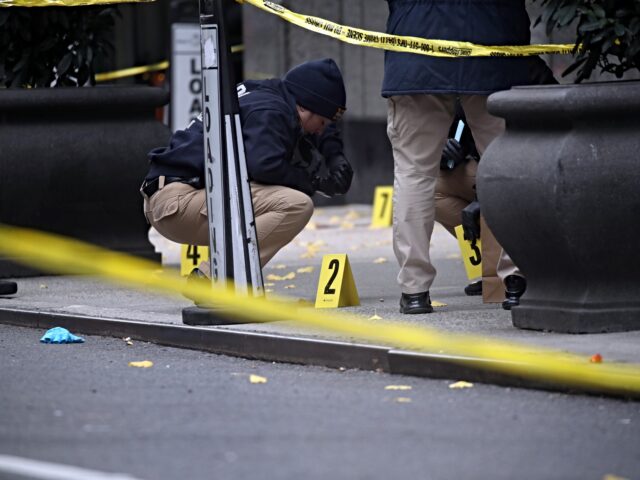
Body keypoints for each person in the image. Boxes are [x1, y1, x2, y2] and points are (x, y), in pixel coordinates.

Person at [383, 0, 534, 314]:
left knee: (414, 174)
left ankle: (415, 290)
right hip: (493, 44)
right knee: (509, 168)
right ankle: (516, 281)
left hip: (416, 51)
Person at [141, 58, 353, 274]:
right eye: (323, 123)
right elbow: (264, 166)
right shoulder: (273, 112)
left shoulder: (263, 93)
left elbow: (317, 125)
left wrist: (335, 157)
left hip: (170, 197)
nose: (320, 131)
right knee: (296, 205)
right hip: (179, 204)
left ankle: (222, 276)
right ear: (305, 107)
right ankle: (216, 277)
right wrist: (314, 182)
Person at [436, 57, 558, 309]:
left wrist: (486, 199)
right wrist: (446, 151)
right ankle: (490, 263)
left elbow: (549, 132)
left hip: (528, 171)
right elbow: (456, 128)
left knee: (498, 189)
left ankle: (515, 271)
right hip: (485, 169)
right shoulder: (467, 67)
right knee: (430, 187)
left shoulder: (529, 69)